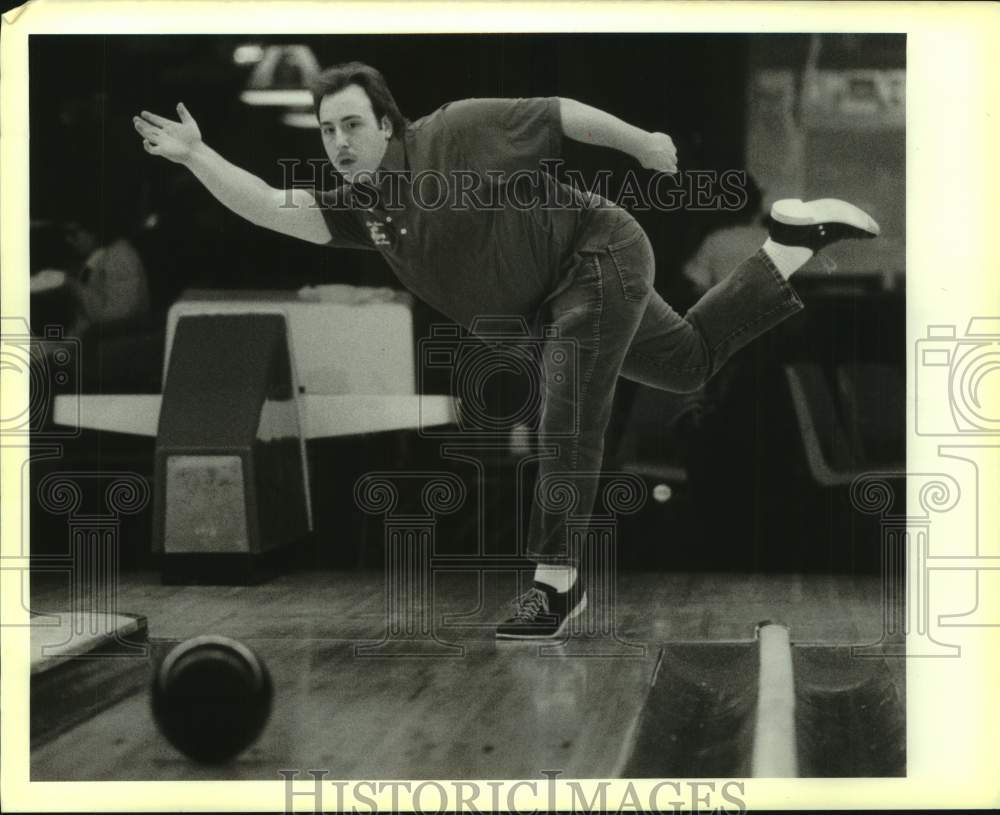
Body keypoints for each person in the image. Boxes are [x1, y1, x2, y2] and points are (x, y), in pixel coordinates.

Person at [133, 62, 879, 640]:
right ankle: (789, 245)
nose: (341, 142)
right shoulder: (362, 209)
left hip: (595, 252)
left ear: (388, 123)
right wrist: (197, 156)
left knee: (567, 408)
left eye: (353, 124)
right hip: (561, 293)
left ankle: (554, 581)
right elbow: (269, 203)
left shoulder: (454, 132)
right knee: (684, 361)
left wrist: (642, 142)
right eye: (328, 132)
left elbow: (559, 114)